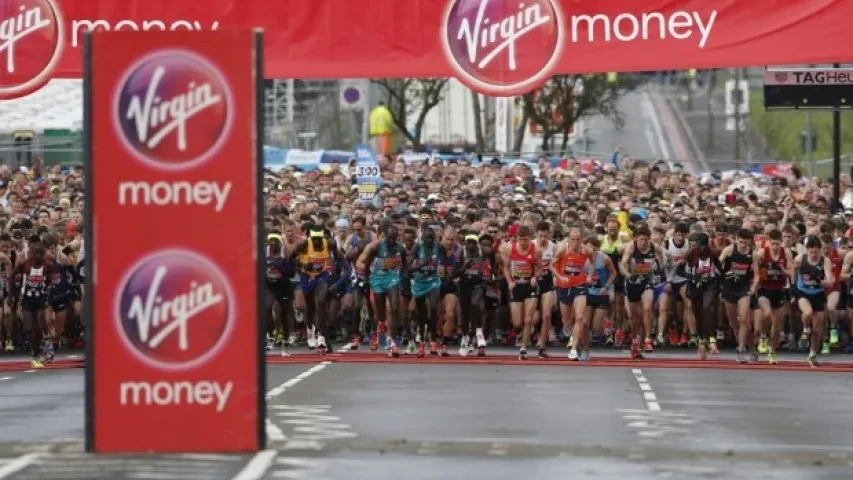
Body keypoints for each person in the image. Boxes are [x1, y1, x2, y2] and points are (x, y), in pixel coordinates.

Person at [358, 223, 407, 357]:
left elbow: (406, 264)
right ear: (385, 237)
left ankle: (393, 340)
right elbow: (366, 264)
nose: (391, 241)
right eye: (389, 238)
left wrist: (402, 277)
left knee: (395, 308)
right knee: (381, 314)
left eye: (394, 238)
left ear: (397, 237)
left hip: (392, 278)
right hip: (377, 279)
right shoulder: (377, 247)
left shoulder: (400, 249)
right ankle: (380, 325)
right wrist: (368, 280)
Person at [290, 225, 338, 355]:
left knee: (321, 302)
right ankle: (310, 332)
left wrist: (335, 262)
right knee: (310, 307)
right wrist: (301, 265)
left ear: (322, 237)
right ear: (310, 237)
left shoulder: (329, 243)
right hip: (307, 276)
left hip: (321, 276)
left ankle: (322, 338)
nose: (316, 241)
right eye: (314, 238)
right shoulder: (304, 244)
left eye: (319, 238)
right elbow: (291, 259)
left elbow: (339, 257)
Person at [620, 225, 665, 359]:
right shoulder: (631, 247)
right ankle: (634, 342)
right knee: (635, 318)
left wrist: (659, 266)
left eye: (646, 240)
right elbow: (622, 264)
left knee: (647, 308)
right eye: (641, 240)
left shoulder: (653, 247)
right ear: (636, 239)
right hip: (633, 283)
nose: (644, 243)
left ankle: (647, 339)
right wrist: (628, 275)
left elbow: (663, 256)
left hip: (647, 282)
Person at [792, 235, 834, 367]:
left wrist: (820, 281)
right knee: (808, 312)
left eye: (816, 252)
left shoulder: (825, 261)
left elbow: (830, 281)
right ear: (807, 250)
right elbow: (793, 271)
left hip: (818, 294)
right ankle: (805, 330)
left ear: (820, 251)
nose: (814, 254)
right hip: (803, 293)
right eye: (811, 252)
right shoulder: (800, 259)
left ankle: (812, 354)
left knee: (818, 329)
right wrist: (793, 288)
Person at [753, 228, 793, 364]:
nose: (775, 247)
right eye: (773, 244)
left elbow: (791, 273)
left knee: (777, 326)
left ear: (781, 243)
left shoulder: (786, 253)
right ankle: (763, 335)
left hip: (779, 289)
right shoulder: (762, 253)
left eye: (777, 244)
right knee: (767, 313)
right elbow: (758, 274)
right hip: (765, 288)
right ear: (768, 242)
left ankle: (772, 351)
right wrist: (754, 286)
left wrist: (781, 270)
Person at [501, 224, 540, 360]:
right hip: (516, 285)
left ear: (530, 238)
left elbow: (540, 267)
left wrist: (535, 276)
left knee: (528, 319)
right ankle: (523, 331)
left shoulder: (536, 250)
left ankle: (523, 347)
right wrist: (509, 281)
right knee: (517, 322)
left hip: (529, 285)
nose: (523, 242)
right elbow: (505, 268)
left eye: (526, 240)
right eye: (520, 239)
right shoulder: (508, 249)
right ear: (516, 238)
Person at [718, 228, 757, 363]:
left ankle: (741, 349)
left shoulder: (753, 254)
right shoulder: (729, 250)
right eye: (741, 242)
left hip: (744, 289)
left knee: (744, 320)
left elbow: (757, 274)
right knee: (734, 324)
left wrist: (754, 287)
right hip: (729, 289)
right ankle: (751, 347)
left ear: (750, 243)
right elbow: (717, 265)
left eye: (746, 243)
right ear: (736, 240)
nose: (743, 246)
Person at [552, 227, 589, 361]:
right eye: (572, 239)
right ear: (568, 239)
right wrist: (559, 277)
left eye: (577, 239)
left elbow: (593, 259)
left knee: (580, 318)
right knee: (567, 322)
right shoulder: (562, 249)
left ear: (581, 240)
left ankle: (574, 349)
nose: (575, 242)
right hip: (564, 286)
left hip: (579, 286)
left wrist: (589, 274)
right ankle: (576, 338)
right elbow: (551, 265)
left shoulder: (586, 250)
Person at [13, 239, 52, 368]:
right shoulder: (24, 264)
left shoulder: (47, 265)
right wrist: (13, 294)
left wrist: (47, 290)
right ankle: (35, 352)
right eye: (35, 253)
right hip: (27, 300)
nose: (38, 256)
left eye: (40, 253)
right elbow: (11, 276)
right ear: (31, 253)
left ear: (44, 254)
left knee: (40, 322)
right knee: (29, 328)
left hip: (40, 299)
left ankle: (45, 346)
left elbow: (51, 282)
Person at [456, 233, 495, 357]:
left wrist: (490, 272)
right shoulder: (461, 252)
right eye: (469, 242)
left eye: (474, 242)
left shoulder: (484, 252)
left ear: (477, 243)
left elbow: (493, 255)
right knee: (464, 312)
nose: (471, 245)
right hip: (464, 283)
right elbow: (456, 272)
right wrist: (464, 268)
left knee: (475, 304)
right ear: (465, 243)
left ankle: (479, 331)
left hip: (478, 284)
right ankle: (465, 337)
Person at [408, 227, 443, 357]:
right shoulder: (417, 248)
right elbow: (409, 267)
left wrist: (445, 271)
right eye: (426, 238)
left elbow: (444, 261)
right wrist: (419, 266)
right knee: (421, 313)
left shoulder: (439, 247)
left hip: (433, 280)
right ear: (422, 239)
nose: (429, 240)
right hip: (420, 282)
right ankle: (422, 342)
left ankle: (433, 341)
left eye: (431, 238)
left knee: (433, 308)